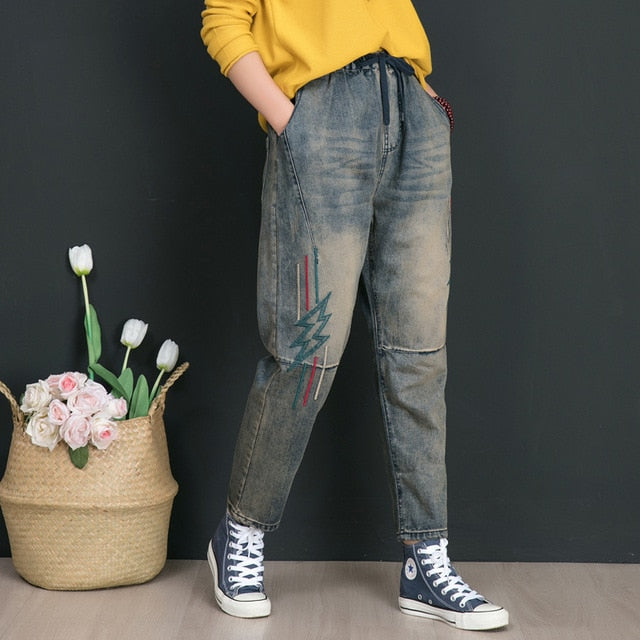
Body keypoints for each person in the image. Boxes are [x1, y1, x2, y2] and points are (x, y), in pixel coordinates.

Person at [200, 0, 508, 631]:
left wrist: (422, 99)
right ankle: (241, 531)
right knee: (306, 352)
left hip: (412, 111)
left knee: (420, 355)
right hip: (322, 118)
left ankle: (426, 557)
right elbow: (223, 19)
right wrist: (288, 117)